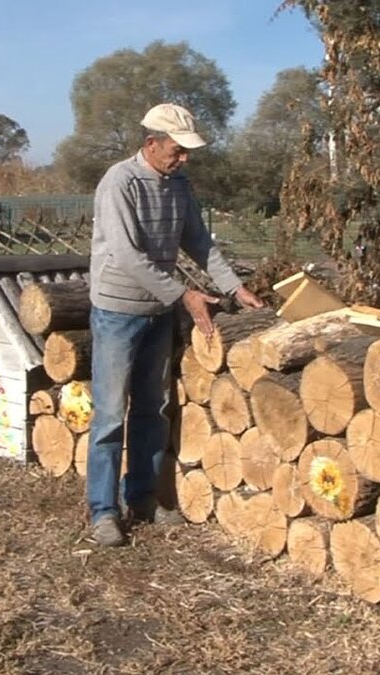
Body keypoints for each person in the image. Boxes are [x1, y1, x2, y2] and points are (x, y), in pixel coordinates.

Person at [86, 103, 264, 547]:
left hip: (157, 311)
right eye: (177, 150)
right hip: (117, 311)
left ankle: (143, 499)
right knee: (110, 414)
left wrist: (234, 287)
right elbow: (127, 255)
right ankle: (104, 513)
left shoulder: (179, 185)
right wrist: (183, 294)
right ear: (151, 144)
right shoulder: (119, 182)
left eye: (187, 152)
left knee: (153, 408)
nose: (183, 159)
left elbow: (199, 242)